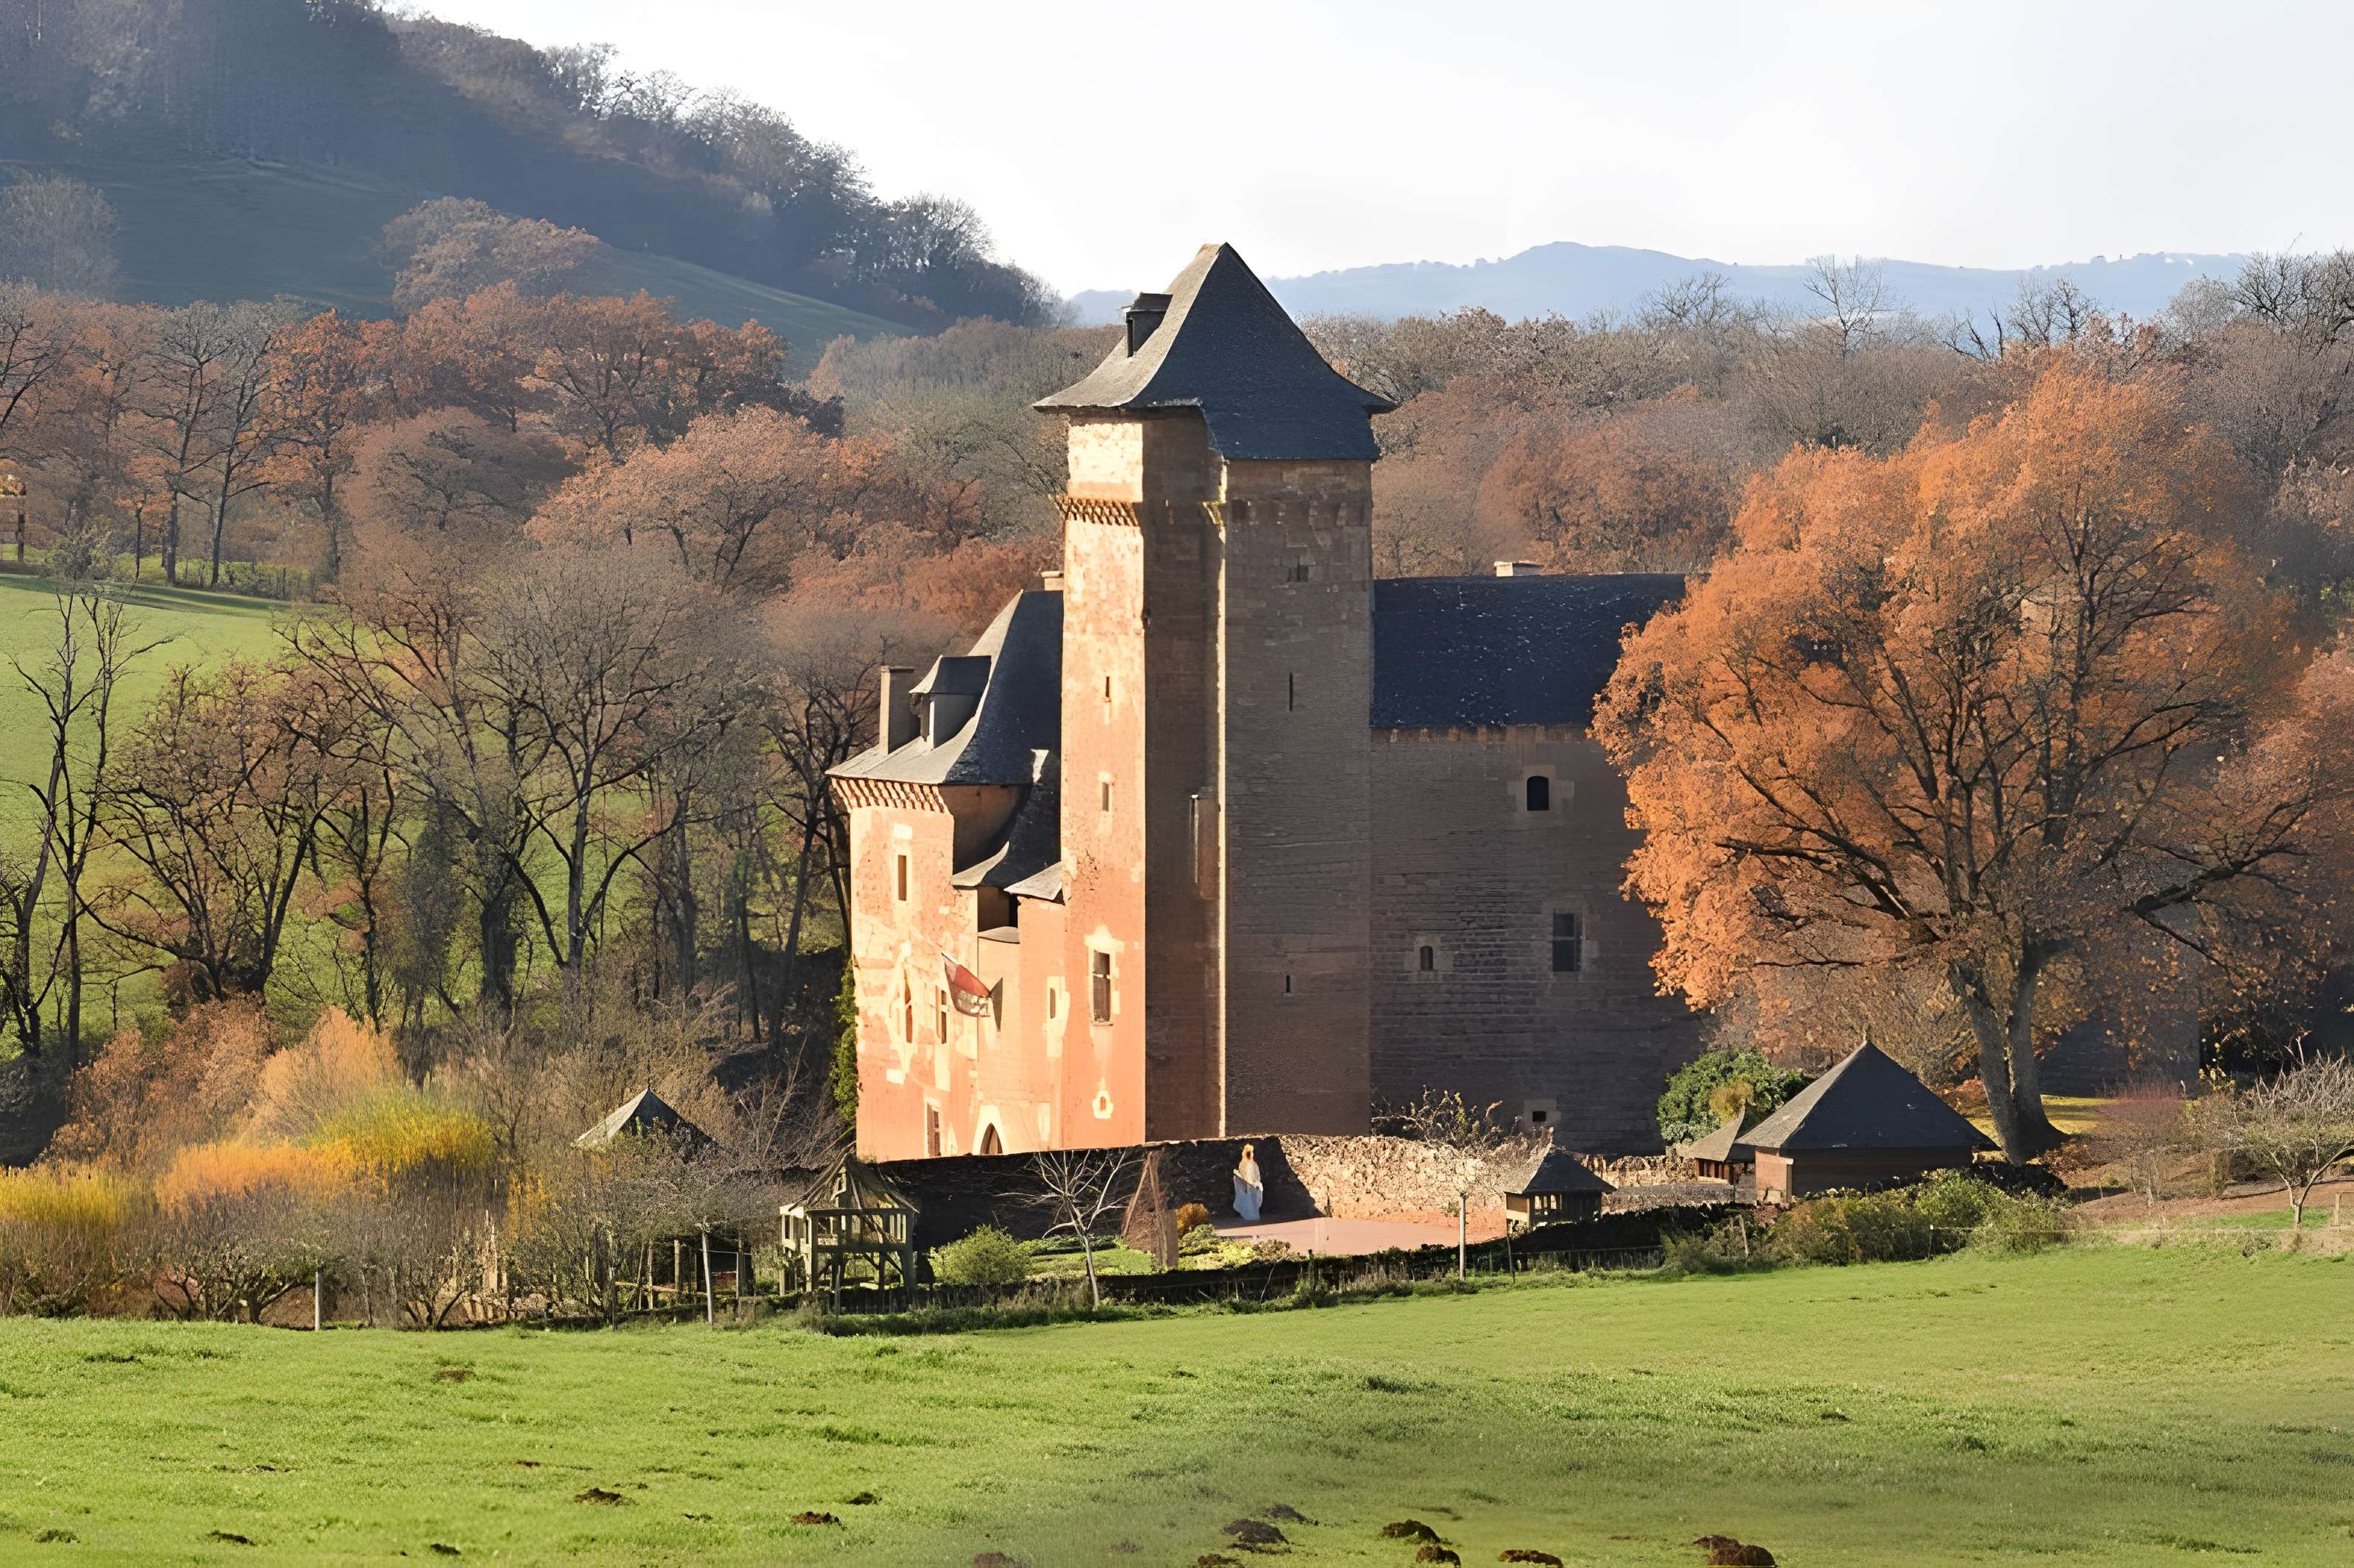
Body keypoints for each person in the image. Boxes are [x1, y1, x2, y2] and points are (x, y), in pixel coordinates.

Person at [1232, 1142, 1264, 1223]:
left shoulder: (1253, 1164)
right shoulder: (1243, 1163)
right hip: (1247, 1185)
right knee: (1249, 1199)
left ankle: (1252, 1215)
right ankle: (1250, 1214)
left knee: (1253, 1199)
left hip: (1253, 1185)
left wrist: (1257, 1183)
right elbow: (1243, 1174)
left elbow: (1256, 1175)